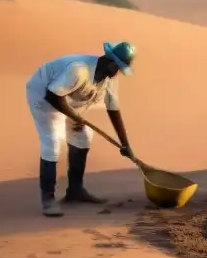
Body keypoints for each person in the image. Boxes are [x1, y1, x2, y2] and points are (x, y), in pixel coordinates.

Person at [26, 41, 136, 218]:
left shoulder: (109, 79)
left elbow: (113, 109)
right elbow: (52, 95)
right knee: (53, 141)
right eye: (118, 66)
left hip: (67, 99)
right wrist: (74, 116)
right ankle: (48, 200)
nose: (118, 72)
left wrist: (125, 144)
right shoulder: (79, 70)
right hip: (43, 94)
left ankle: (75, 191)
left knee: (83, 136)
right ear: (109, 60)